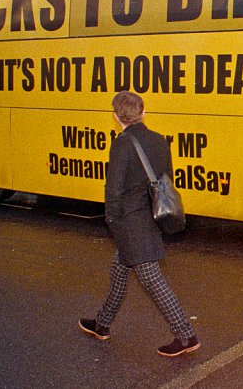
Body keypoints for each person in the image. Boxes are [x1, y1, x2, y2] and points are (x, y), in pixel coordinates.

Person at [79, 91, 200, 357]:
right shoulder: (159, 140)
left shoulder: (122, 144)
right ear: (143, 113)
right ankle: (102, 324)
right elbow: (165, 178)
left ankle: (186, 335)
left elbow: (114, 190)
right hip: (149, 217)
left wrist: (112, 221)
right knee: (119, 269)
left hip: (130, 222)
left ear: (116, 116)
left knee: (151, 279)